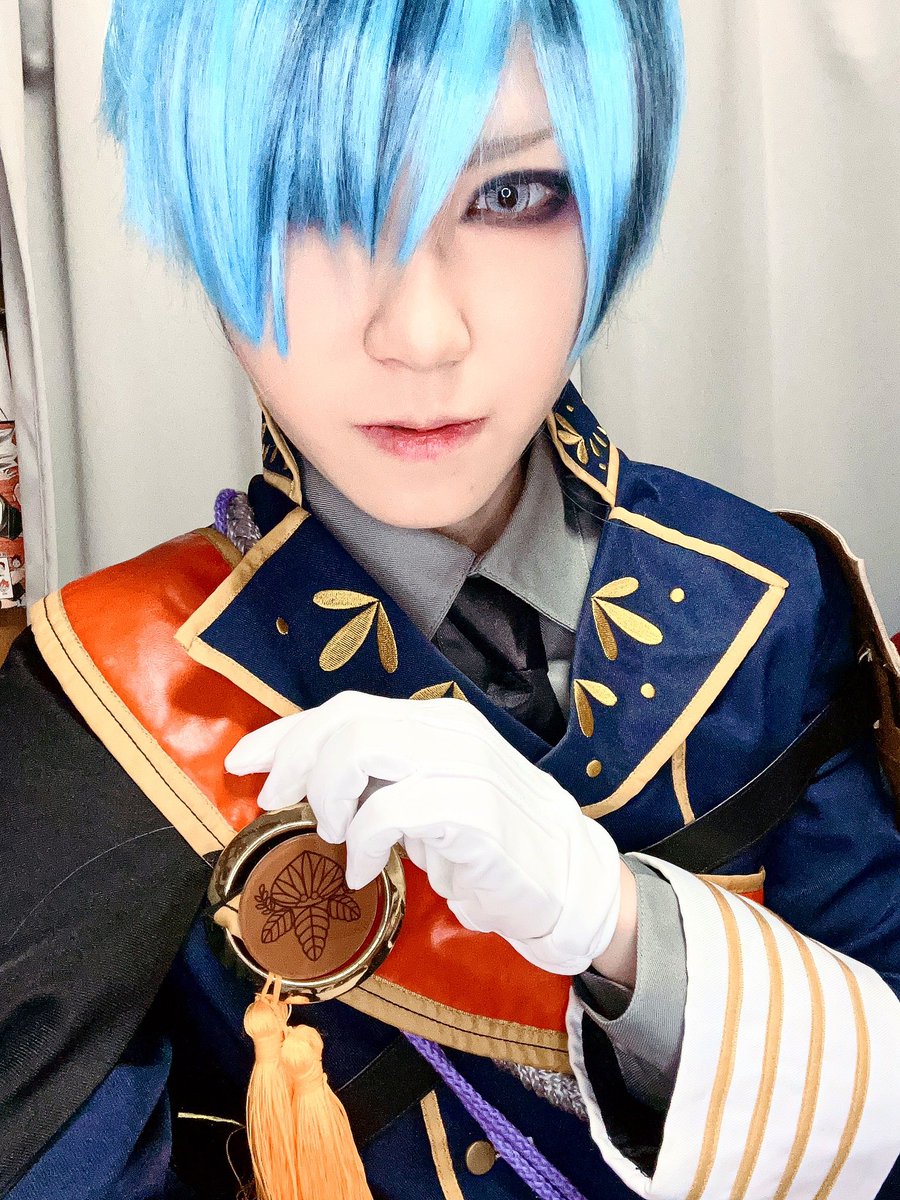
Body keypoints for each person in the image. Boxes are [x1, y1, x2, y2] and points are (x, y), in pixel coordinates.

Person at [1, 1, 899, 1198]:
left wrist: (626, 931)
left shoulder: (766, 597)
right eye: (314, 205)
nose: (422, 334)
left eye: (513, 195)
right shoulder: (99, 707)